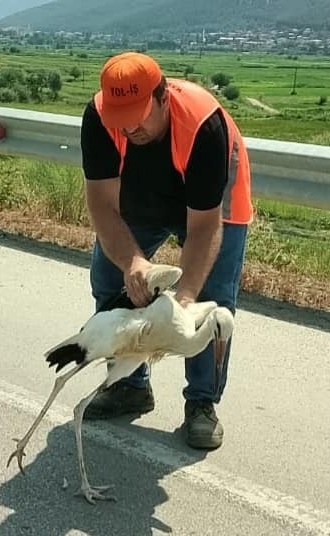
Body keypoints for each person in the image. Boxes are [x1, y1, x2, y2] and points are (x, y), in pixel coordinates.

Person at [79, 51, 253, 450]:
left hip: (211, 200)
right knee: (111, 279)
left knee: (211, 301)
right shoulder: (99, 119)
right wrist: (133, 261)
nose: (129, 129)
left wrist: (185, 299)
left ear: (162, 97)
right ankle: (129, 386)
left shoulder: (203, 125)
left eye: (138, 116)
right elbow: (103, 207)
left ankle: (202, 403)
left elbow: (205, 227)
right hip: (143, 194)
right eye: (119, 120)